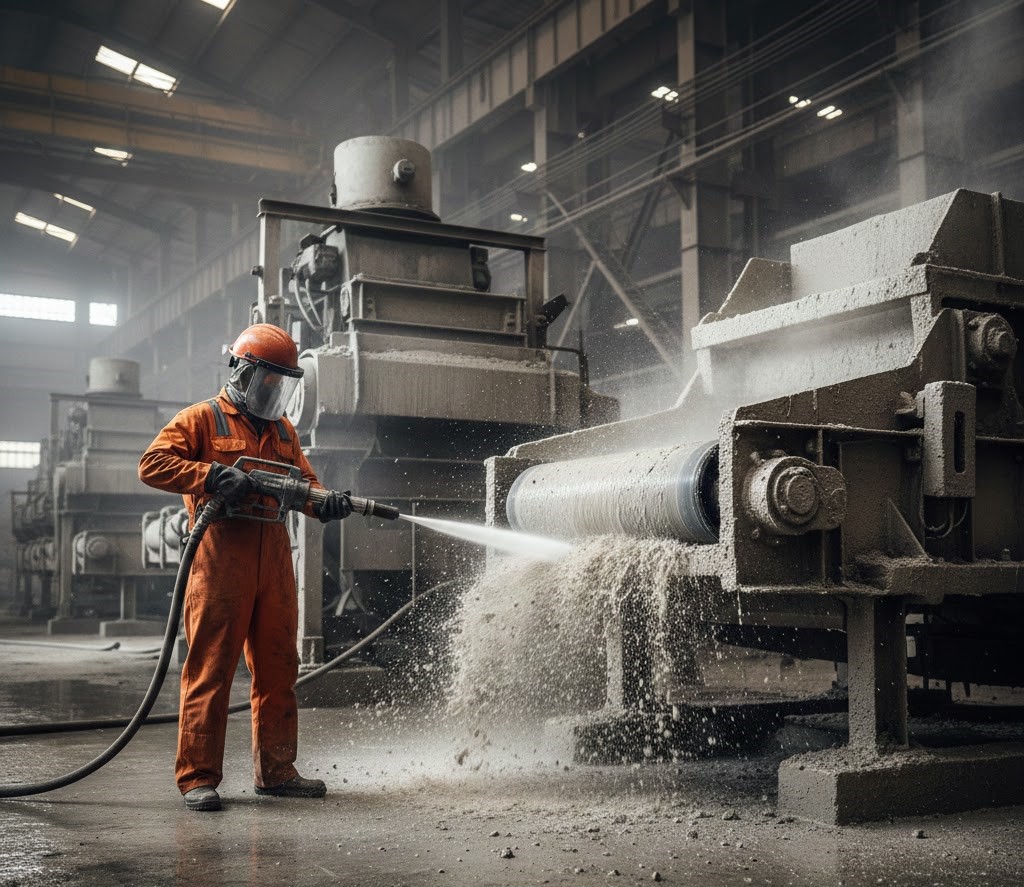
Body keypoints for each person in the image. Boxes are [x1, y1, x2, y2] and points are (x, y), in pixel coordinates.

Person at [139, 323, 351, 811]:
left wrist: (326, 503)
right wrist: (209, 474)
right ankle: (197, 777)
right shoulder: (201, 420)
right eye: (268, 381)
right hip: (219, 561)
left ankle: (276, 771)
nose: (274, 391)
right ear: (242, 370)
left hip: (274, 559)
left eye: (282, 384)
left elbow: (305, 484)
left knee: (279, 667)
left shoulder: (282, 430)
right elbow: (151, 464)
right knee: (210, 668)